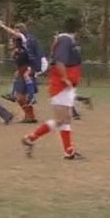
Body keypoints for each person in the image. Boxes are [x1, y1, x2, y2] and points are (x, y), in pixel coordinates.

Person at [22, 17, 83, 160]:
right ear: (78, 30)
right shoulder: (65, 40)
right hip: (60, 86)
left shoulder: (66, 40)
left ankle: (69, 151)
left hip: (65, 86)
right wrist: (65, 78)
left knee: (66, 119)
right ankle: (30, 138)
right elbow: (59, 61)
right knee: (61, 120)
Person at [0, 20, 46, 102]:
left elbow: (13, 34)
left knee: (27, 75)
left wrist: (2, 26)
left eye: (16, 31)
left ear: (21, 31)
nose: (14, 34)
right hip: (35, 61)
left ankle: (32, 97)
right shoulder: (27, 39)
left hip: (39, 63)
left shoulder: (24, 37)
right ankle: (13, 95)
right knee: (18, 74)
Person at [9, 36, 38, 123]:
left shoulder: (22, 51)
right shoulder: (19, 51)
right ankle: (29, 116)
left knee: (19, 97)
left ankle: (29, 115)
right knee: (22, 97)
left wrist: (23, 71)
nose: (10, 44)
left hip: (25, 74)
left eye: (11, 42)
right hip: (23, 72)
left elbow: (26, 63)